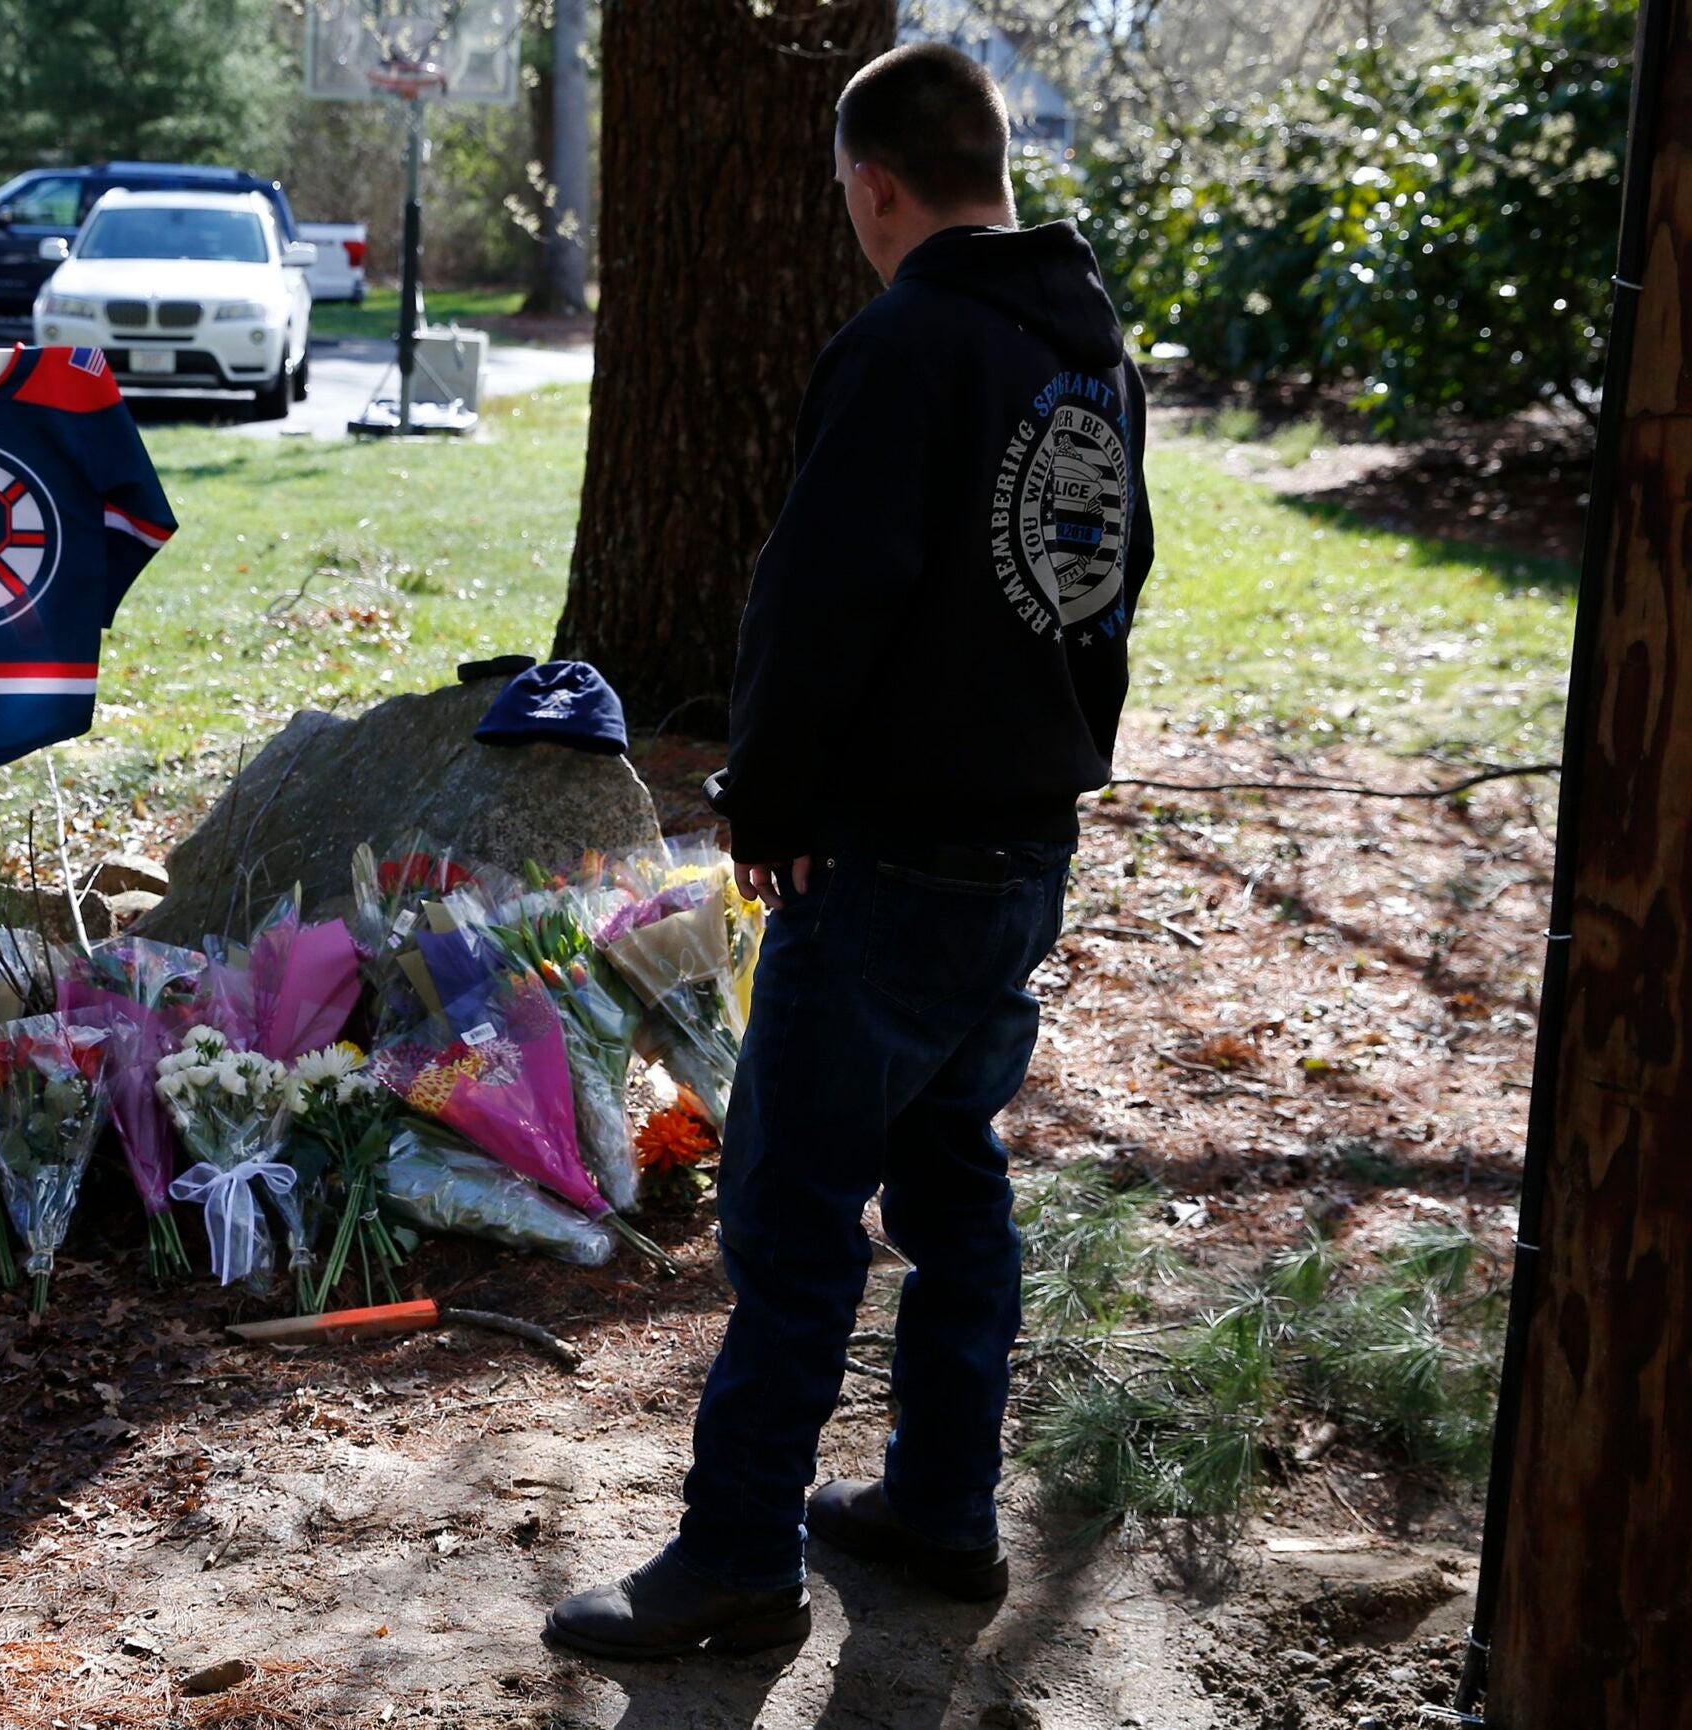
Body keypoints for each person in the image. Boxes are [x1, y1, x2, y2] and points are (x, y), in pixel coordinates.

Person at [545, 41, 1155, 1660]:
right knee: (955, 1183)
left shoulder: (909, 346)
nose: (851, 223)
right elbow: (1097, 588)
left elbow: (819, 599)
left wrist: (777, 803)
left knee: (793, 1210)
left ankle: (739, 1556)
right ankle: (943, 1510)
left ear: (876, 186)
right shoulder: (1091, 355)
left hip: (885, 861)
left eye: (847, 200)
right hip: (1023, 851)